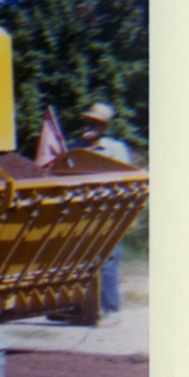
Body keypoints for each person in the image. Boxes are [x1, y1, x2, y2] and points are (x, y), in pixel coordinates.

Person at [71, 101, 133, 323]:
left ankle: (111, 310)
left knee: (108, 260)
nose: (88, 125)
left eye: (94, 122)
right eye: (87, 121)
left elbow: (127, 180)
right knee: (80, 261)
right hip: (83, 214)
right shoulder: (76, 147)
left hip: (110, 214)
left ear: (104, 127)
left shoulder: (116, 149)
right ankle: (81, 308)